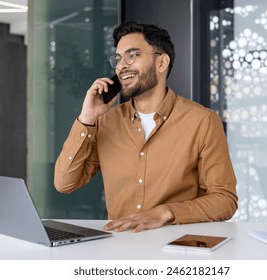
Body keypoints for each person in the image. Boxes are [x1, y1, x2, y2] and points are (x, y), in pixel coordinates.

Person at [54, 21, 237, 233]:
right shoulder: (106, 122)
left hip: (176, 248)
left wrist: (165, 212)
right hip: (118, 247)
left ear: (162, 63)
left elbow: (225, 200)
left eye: (132, 55)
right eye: (118, 58)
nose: (121, 66)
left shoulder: (202, 121)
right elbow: (64, 183)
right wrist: (87, 119)